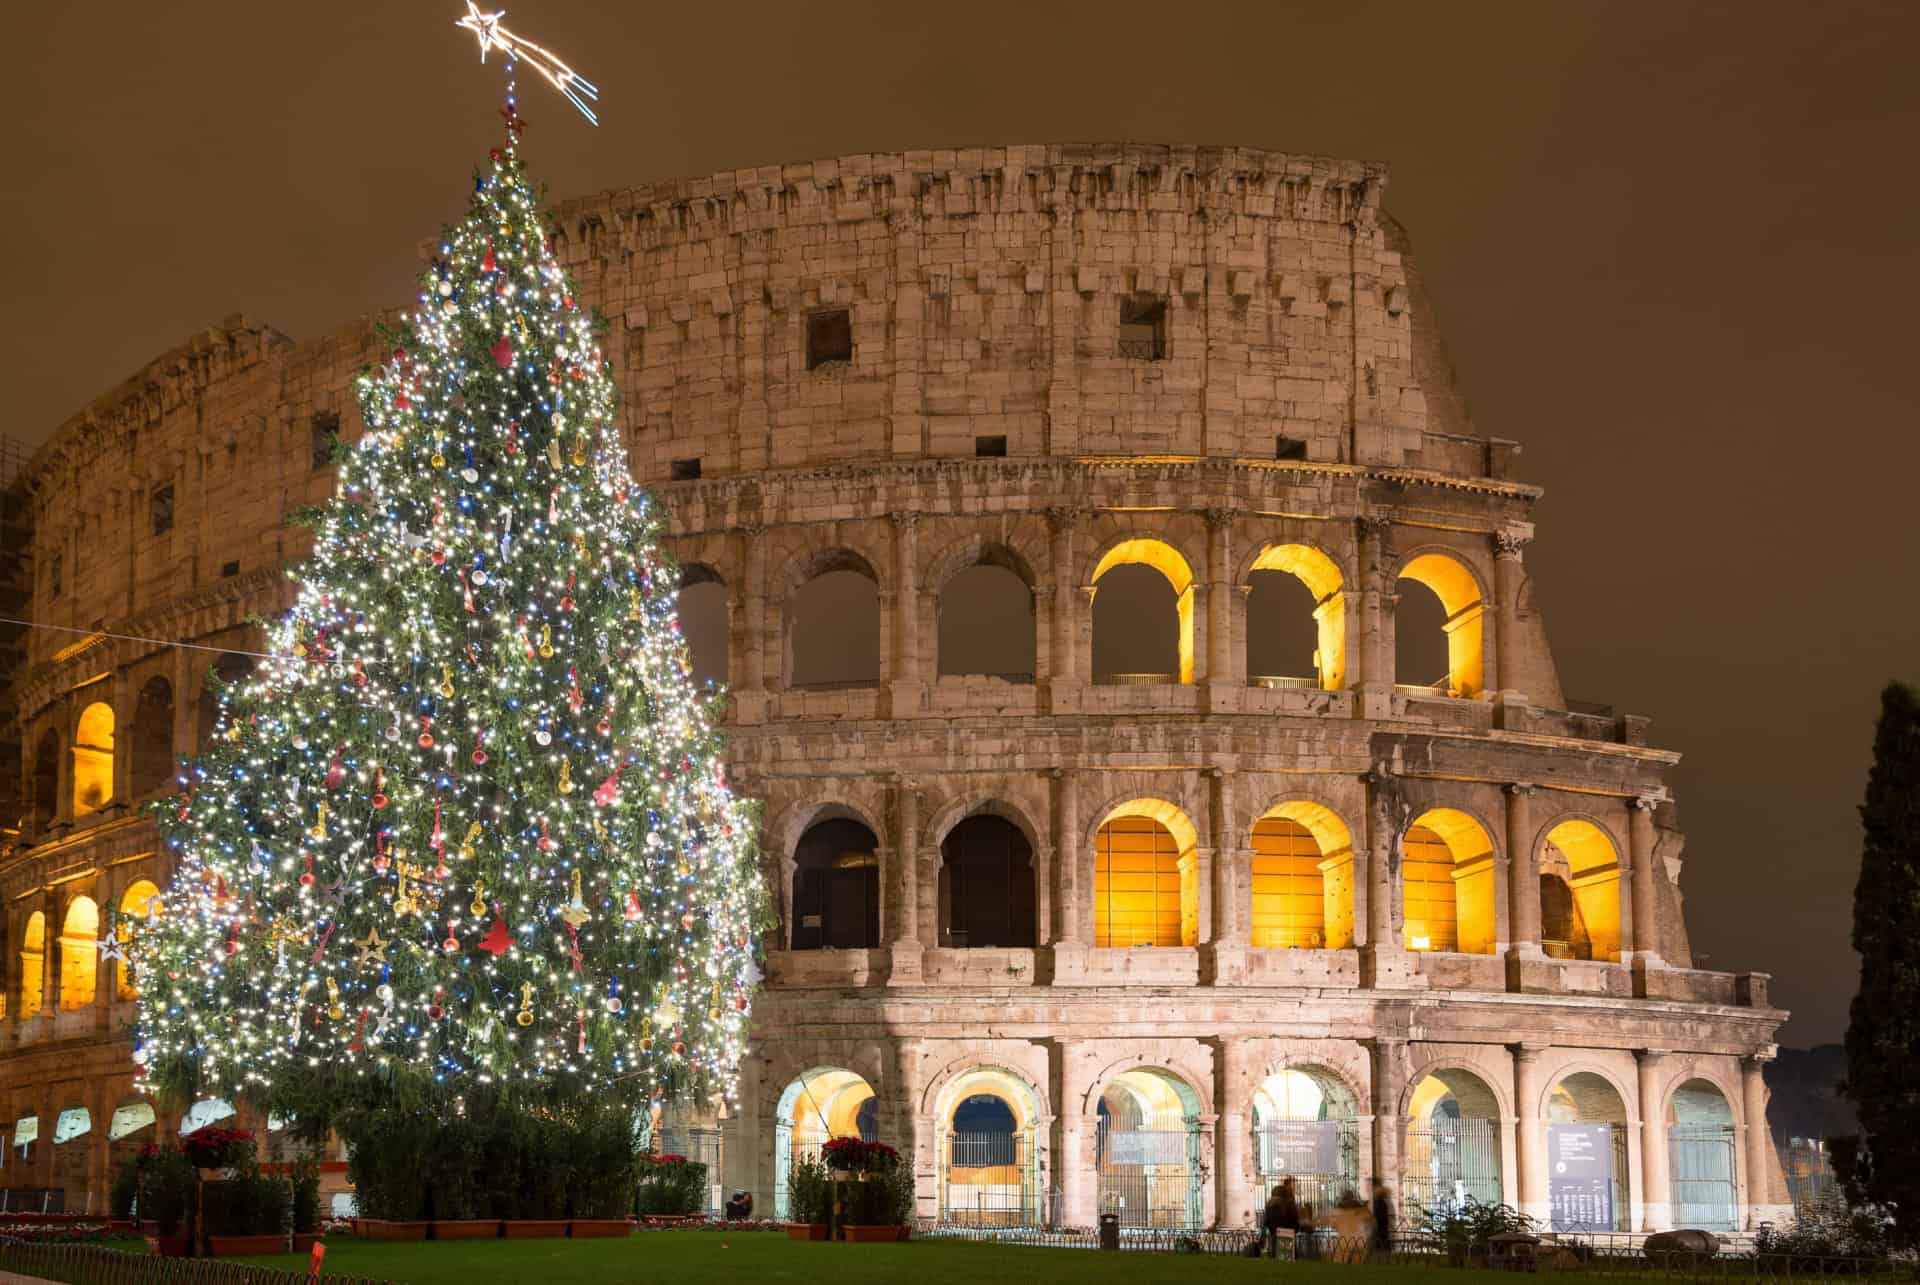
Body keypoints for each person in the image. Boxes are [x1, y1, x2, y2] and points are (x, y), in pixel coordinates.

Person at [1369, 1180, 1394, 1260]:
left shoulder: (1379, 1202)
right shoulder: (1384, 1201)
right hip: (1382, 1231)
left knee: (1380, 1253)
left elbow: (1379, 1217)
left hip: (1380, 1231)